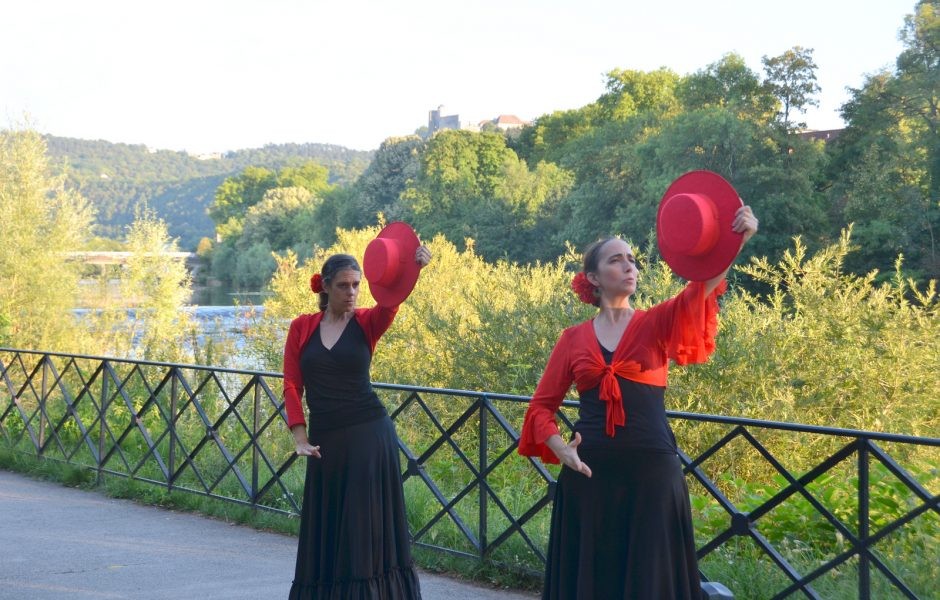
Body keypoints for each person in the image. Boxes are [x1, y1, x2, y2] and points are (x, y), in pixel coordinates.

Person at [518, 196, 758, 599]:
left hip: (652, 474)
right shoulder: (572, 339)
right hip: (589, 474)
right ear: (593, 277)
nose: (629, 265)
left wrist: (736, 241)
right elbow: (542, 406)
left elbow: (702, 286)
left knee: (651, 582)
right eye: (616, 260)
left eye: (632, 259)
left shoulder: (657, 322)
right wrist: (561, 449)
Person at [283, 226, 431, 600]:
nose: (351, 293)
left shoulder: (368, 322)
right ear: (325, 288)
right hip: (325, 442)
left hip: (369, 435)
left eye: (356, 286)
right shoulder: (301, 327)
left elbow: (392, 300)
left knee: (363, 528)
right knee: (330, 526)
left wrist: (414, 267)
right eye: (343, 286)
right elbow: (291, 384)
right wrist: (299, 437)